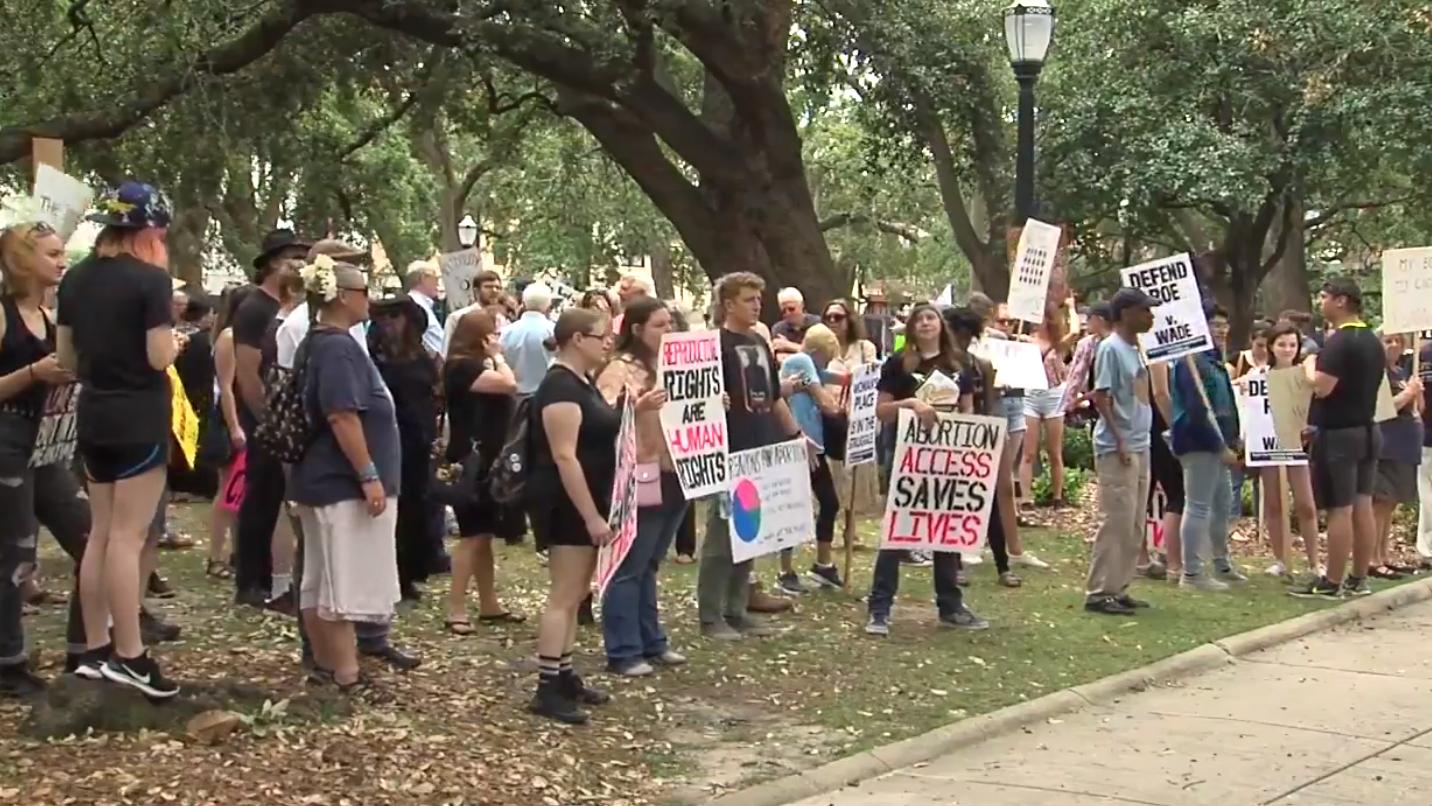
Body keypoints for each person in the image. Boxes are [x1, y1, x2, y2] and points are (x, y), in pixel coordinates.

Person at [56, 182, 179, 697]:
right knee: (129, 537)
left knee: (101, 535)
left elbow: (65, 360)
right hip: (139, 417)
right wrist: (175, 343)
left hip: (94, 414)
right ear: (150, 230)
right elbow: (158, 357)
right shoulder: (151, 281)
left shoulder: (75, 278)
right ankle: (132, 656)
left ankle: (94, 648)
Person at [527, 308, 655, 722]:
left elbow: (606, 430)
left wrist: (638, 408)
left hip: (593, 500)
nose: (608, 343)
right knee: (564, 594)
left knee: (577, 588)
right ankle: (547, 685)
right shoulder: (559, 388)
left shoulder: (582, 383)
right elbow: (565, 456)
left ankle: (564, 673)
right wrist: (591, 517)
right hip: (567, 504)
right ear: (576, 339)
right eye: (601, 336)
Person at [289, 258, 401, 696]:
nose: (368, 300)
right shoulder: (335, 346)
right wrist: (368, 474)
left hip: (322, 479)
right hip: (339, 482)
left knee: (320, 578)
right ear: (341, 296)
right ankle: (346, 674)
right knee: (342, 582)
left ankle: (326, 665)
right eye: (362, 291)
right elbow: (342, 415)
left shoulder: (320, 342)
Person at [0, 222, 91, 696]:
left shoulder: (52, 314)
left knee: (91, 539)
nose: (62, 261)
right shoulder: (4, 314)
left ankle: (85, 647)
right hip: (8, 437)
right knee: (14, 552)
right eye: (52, 253)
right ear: (23, 259)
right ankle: (8, 661)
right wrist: (34, 372)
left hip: (50, 441)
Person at [865, 303, 988, 636]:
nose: (925, 323)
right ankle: (879, 607)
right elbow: (881, 411)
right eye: (918, 319)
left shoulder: (960, 364)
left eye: (930, 317)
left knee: (945, 528)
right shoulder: (898, 364)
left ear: (941, 324)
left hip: (946, 458)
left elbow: (968, 409)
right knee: (897, 530)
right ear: (911, 328)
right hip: (907, 455)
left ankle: (951, 605)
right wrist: (911, 404)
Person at [698, 273, 806, 639]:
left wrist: (795, 435)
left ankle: (736, 607)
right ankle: (711, 614)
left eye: (758, 298)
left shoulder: (760, 342)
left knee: (751, 530)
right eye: (748, 299)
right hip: (729, 447)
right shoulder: (714, 344)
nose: (757, 305)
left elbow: (774, 396)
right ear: (728, 304)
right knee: (721, 534)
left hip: (761, 445)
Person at [594, 298, 689, 676]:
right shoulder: (619, 368)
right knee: (630, 563)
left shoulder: (677, 365)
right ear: (636, 330)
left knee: (651, 561)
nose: (668, 332)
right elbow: (601, 417)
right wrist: (636, 406)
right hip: (642, 472)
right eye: (659, 325)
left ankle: (652, 640)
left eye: (670, 324)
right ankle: (624, 649)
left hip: (678, 469)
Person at [1290, 278, 1386, 599]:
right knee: (1362, 504)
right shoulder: (1373, 341)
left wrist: (1308, 366)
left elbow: (1322, 386)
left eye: (1325, 296)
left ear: (1342, 301)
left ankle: (1331, 581)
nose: (1321, 302)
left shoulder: (1340, 343)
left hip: (1340, 435)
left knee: (1339, 508)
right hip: (1368, 430)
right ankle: (1359, 577)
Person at [232, 228, 309, 608]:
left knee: (283, 499)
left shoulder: (295, 307)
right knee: (260, 497)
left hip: (288, 417)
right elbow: (246, 371)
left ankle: (277, 578)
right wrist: (264, 418)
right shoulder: (253, 308)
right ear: (273, 264)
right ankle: (251, 580)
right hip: (265, 418)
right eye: (293, 257)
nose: (300, 263)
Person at [442, 309, 524, 633]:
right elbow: (508, 384)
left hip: (487, 457)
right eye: (495, 333)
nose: (499, 338)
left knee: (484, 535)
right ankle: (456, 608)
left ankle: (489, 602)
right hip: (472, 461)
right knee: (472, 535)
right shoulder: (463, 367)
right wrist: (498, 357)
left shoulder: (471, 365)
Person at [1083, 288, 1157, 616]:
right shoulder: (1111, 348)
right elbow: (1101, 396)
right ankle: (1100, 591)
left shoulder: (1136, 348)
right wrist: (1120, 440)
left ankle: (1120, 586)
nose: (1150, 317)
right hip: (1119, 445)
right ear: (1126, 313)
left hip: (1142, 441)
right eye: (1145, 311)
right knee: (1115, 519)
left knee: (1134, 522)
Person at [945, 306, 1026, 587]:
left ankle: (1002, 565)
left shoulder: (982, 365)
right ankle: (954, 564)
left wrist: (992, 439)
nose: (963, 342)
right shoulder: (940, 365)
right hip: (947, 440)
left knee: (989, 502)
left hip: (978, 439)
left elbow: (990, 406)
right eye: (959, 335)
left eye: (968, 336)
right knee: (952, 504)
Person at [369, 296, 440, 601]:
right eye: (385, 319)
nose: (390, 325)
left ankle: (411, 569)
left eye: (395, 318)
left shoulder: (421, 357)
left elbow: (433, 393)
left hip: (419, 439)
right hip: (391, 438)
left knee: (416, 505)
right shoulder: (376, 358)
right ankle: (392, 572)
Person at [1169, 319, 1247, 592]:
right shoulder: (1189, 362)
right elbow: (1197, 410)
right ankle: (1191, 572)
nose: (1222, 330)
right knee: (1198, 505)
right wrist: (1218, 446)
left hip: (1221, 443)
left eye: (1225, 324)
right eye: (1214, 324)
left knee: (1222, 503)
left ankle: (1220, 562)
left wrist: (1234, 440)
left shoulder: (1215, 362)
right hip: (1198, 442)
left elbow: (1226, 406)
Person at [774, 324, 846, 592]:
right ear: (818, 351)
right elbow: (824, 400)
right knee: (793, 508)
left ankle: (823, 564)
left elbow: (834, 377)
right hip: (796, 443)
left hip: (813, 445)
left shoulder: (810, 366)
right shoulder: (801, 361)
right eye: (826, 356)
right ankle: (785, 570)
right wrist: (836, 406)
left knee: (829, 502)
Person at [1256, 322, 1321, 578]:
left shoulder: (1303, 375)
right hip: (1269, 446)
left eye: (1292, 344)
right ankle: (1281, 559)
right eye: (1281, 344)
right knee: (1274, 504)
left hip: (1296, 445)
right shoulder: (1261, 376)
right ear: (1271, 346)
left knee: (1306, 505)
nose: (1287, 349)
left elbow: (1314, 402)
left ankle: (1314, 561)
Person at [204, 285, 254, 580]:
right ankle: (215, 555)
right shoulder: (229, 337)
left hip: (244, 417)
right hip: (231, 420)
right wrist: (235, 427)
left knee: (242, 491)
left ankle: (238, 552)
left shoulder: (244, 337)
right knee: (228, 491)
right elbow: (225, 387)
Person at [820, 299, 882, 532]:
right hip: (830, 418)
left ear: (850, 320)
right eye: (828, 318)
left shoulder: (865, 348)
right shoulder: (822, 349)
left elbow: (872, 377)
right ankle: (831, 526)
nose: (833, 322)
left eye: (838, 317)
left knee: (855, 473)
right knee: (834, 474)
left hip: (857, 418)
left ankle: (851, 528)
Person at [1369, 331, 1422, 579]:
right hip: (1386, 445)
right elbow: (1383, 409)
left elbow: (1417, 408)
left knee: (1390, 504)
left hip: (1405, 445)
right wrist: (1407, 394)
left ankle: (1384, 554)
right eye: (1388, 341)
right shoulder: (1377, 374)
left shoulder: (1401, 373)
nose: (1393, 346)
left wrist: (1416, 391)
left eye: (1397, 341)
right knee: (1380, 502)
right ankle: (1372, 558)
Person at [1019, 318, 1073, 510]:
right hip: (1031, 395)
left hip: (1054, 396)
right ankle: (1026, 498)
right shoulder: (1025, 341)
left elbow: (1074, 330)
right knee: (1029, 452)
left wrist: (1071, 306)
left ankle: (1058, 497)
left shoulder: (1059, 345)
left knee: (1054, 451)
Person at [499, 281, 555, 397]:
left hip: (514, 397)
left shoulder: (506, 332)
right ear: (548, 304)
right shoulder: (554, 330)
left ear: (523, 303)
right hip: (547, 395)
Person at [442, 269, 506, 353]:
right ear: (476, 291)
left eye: (498, 288)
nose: (494, 291)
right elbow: (447, 350)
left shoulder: (501, 319)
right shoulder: (458, 317)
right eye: (488, 287)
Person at [771, 287, 820, 357]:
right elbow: (779, 356)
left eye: (791, 309)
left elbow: (820, 354)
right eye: (783, 311)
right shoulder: (779, 329)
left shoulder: (817, 324)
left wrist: (789, 345)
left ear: (802, 305)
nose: (787, 313)